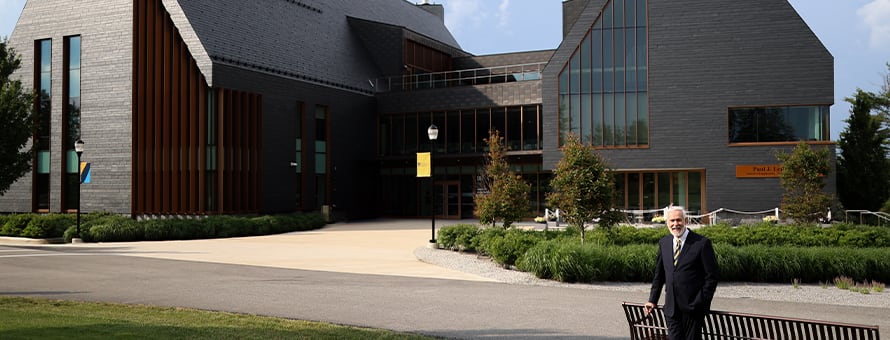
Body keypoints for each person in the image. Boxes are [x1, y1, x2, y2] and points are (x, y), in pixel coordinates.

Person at [644, 206, 719, 340]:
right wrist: (652, 300)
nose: (675, 224)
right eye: (671, 221)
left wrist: (700, 302)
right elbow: (659, 275)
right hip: (671, 309)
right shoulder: (664, 243)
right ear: (667, 222)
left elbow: (712, 276)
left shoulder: (701, 243)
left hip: (693, 310)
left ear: (686, 220)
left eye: (679, 220)